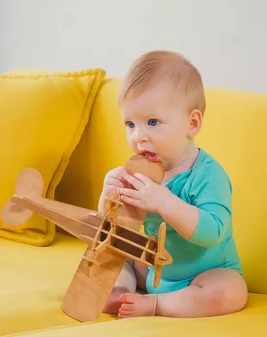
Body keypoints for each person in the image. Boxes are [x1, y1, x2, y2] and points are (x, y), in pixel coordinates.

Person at [98, 50, 248, 319]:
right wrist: (108, 197)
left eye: (152, 122)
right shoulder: (140, 173)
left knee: (231, 290)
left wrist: (165, 203)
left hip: (202, 274)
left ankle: (157, 305)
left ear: (192, 123)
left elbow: (214, 231)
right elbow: (112, 229)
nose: (138, 137)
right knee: (116, 252)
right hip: (153, 269)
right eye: (130, 124)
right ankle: (120, 291)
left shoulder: (208, 175)